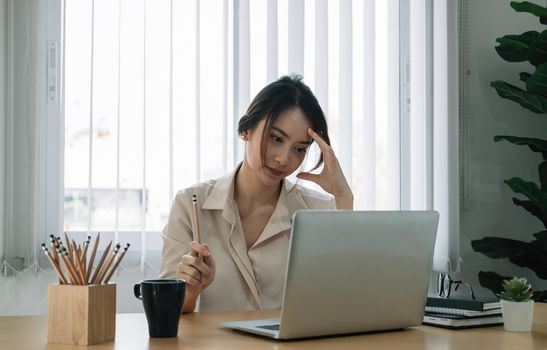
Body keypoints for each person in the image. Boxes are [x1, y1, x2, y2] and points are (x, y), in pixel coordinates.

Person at [159, 75, 353, 313]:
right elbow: (169, 311)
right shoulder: (189, 204)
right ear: (246, 130)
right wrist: (190, 292)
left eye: (299, 149)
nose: (283, 159)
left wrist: (343, 197)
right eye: (276, 138)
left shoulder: (319, 211)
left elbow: (341, 303)